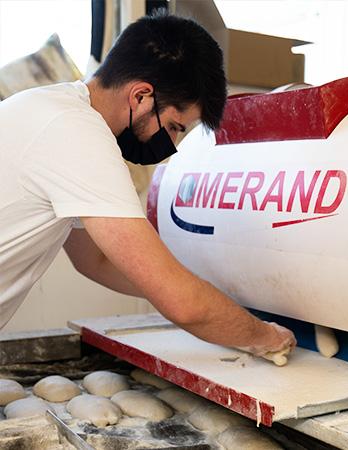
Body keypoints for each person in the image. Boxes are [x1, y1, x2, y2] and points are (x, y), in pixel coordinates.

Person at [0, 12, 296, 362]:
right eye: (173, 126)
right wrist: (264, 336)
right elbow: (183, 306)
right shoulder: (77, 134)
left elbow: (95, 261)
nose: (169, 142)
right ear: (140, 95)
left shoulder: (49, 108)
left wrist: (212, 300)